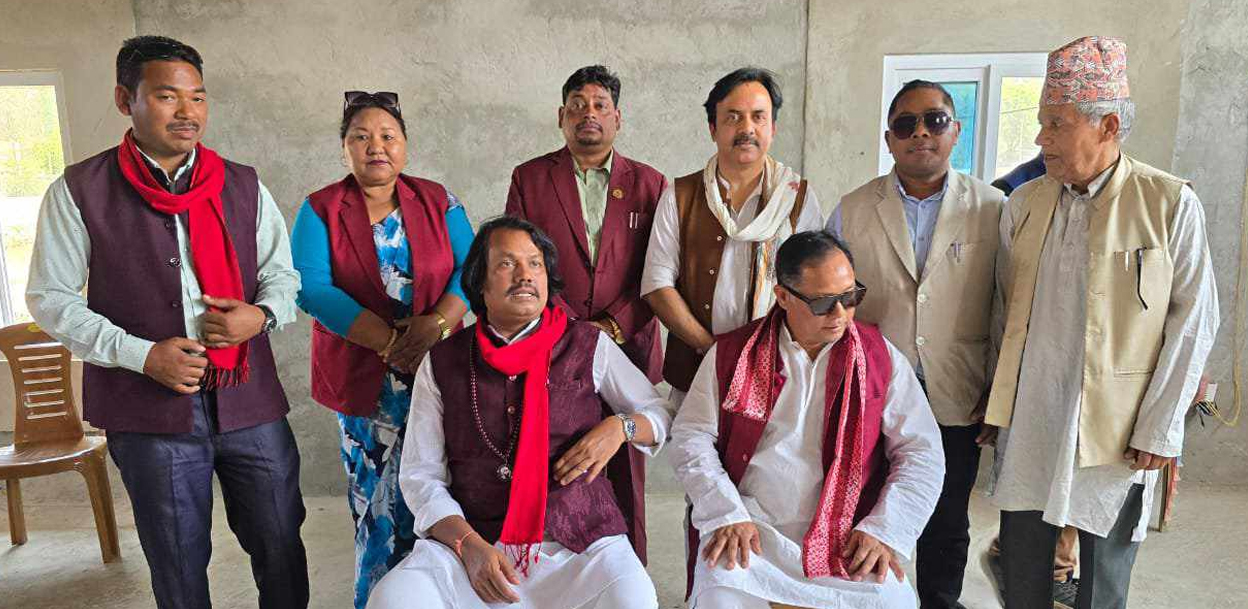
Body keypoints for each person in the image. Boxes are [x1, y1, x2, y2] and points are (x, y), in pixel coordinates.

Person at [25, 35, 308, 608]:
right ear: (124, 99)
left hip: (248, 400)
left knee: (280, 542)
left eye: (198, 97)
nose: (187, 112)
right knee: (176, 561)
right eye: (166, 96)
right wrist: (142, 354)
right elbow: (50, 298)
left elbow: (283, 276)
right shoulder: (78, 190)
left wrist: (260, 315)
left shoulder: (243, 183)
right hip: (146, 412)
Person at [984, 36, 1219, 609]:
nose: (1041, 139)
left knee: (1103, 582)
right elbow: (1002, 311)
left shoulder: (1169, 204)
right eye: (1041, 124)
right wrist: (994, 401)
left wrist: (1160, 429)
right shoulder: (1024, 204)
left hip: (1120, 429)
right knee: (1023, 568)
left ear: (1108, 125)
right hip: (1034, 418)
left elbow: (1193, 322)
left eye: (1056, 125)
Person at [366, 217, 673, 609]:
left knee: (634, 600)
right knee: (392, 599)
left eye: (535, 263)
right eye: (507, 263)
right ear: (480, 283)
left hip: (580, 547)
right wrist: (468, 545)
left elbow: (660, 414)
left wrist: (620, 427)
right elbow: (421, 476)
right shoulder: (443, 361)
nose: (525, 275)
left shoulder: (587, 344)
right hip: (476, 545)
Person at [669, 230, 945, 608]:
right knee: (721, 597)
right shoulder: (733, 354)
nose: (840, 314)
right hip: (753, 529)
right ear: (783, 296)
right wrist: (725, 513)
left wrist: (885, 529)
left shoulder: (879, 357)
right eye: (823, 303)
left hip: (847, 533)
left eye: (850, 297)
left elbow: (922, 452)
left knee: (893, 602)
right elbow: (691, 436)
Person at [289, 91, 474, 608]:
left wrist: (436, 325)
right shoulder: (320, 208)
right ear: (344, 148)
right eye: (361, 137)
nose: (376, 146)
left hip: (439, 369)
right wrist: (392, 343)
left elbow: (472, 269)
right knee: (376, 503)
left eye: (388, 135)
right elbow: (311, 287)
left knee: (443, 490)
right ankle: (377, 598)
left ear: (405, 145)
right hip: (363, 378)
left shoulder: (439, 200)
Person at [829, 80, 1004, 608]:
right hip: (875, 391)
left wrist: (999, 390)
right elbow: (833, 305)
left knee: (947, 518)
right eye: (906, 125)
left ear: (956, 130)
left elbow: (1009, 305)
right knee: (868, 511)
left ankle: (939, 602)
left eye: (934, 120)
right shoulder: (853, 209)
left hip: (960, 388)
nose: (920, 133)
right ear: (889, 138)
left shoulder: (994, 208)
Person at [505, 66, 665, 561]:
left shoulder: (650, 183)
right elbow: (521, 260)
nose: (588, 114)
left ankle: (629, 571)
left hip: (630, 342)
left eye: (599, 105)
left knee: (626, 461)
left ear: (618, 117)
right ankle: (566, 570)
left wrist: (612, 326)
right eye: (577, 105)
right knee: (562, 456)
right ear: (561, 116)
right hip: (554, 342)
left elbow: (659, 269)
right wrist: (571, 330)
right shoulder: (531, 178)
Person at [642, 67, 823, 406]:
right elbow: (657, 283)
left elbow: (814, 286)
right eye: (733, 117)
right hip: (697, 373)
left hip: (778, 372)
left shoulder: (795, 197)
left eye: (758, 117)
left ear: (773, 128)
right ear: (713, 128)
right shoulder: (681, 195)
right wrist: (713, 351)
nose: (747, 129)